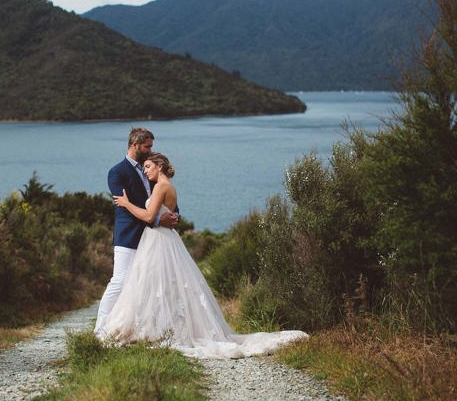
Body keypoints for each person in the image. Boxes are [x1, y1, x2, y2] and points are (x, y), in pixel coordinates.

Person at [99, 152, 308, 359]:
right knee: (158, 284)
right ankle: (158, 326)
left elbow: (148, 216)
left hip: (159, 240)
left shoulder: (162, 186)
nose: (144, 171)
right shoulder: (163, 186)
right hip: (158, 238)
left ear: (159, 167)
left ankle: (159, 329)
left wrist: (126, 204)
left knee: (156, 283)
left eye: (148, 167)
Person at [94, 127, 178, 336]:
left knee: (150, 284)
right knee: (120, 281)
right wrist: (157, 219)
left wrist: (174, 215)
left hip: (153, 238)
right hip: (129, 236)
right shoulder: (117, 172)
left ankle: (141, 328)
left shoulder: (151, 168)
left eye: (151, 146)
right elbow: (123, 205)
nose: (151, 150)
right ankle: (100, 329)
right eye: (147, 146)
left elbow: (164, 195)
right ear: (134, 145)